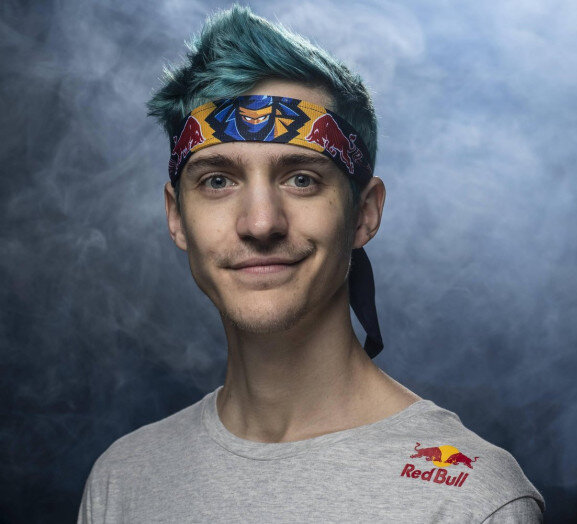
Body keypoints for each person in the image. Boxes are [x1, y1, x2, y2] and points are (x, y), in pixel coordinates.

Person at [77, 5, 544, 522]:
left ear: (364, 214)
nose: (261, 223)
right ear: (177, 217)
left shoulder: (470, 499)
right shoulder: (124, 479)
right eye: (218, 180)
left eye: (302, 179)